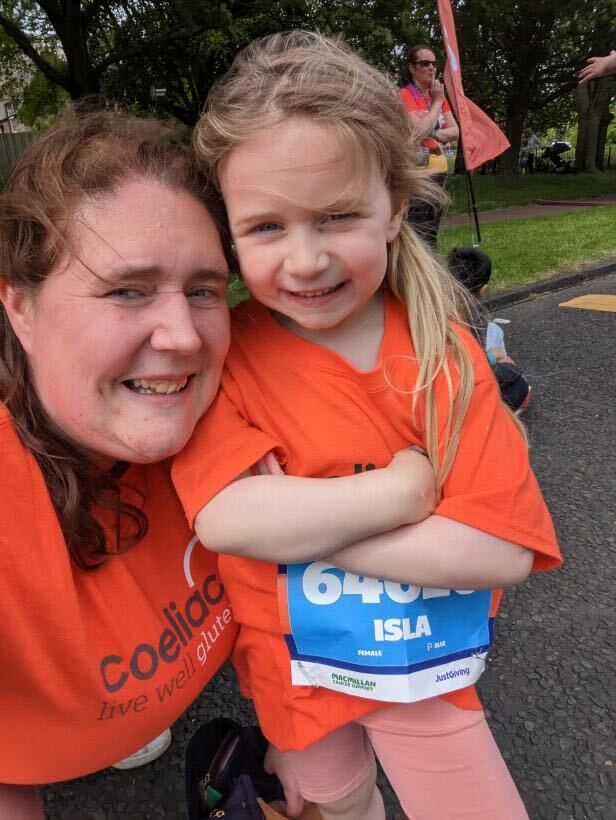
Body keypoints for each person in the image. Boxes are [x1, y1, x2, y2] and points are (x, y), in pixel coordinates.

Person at [172, 31, 562, 820]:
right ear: (229, 231)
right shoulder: (226, 355)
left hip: (423, 664)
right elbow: (225, 516)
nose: (307, 260)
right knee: (335, 803)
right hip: (292, 670)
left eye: (337, 216)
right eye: (268, 228)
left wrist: (301, 524)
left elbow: (500, 548)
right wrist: (405, 490)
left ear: (393, 208)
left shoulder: (439, 350)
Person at [0, 110, 239, 817]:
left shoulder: (246, 397)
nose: (184, 335)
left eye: (204, 289)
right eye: (126, 290)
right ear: (20, 309)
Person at [448, 247, 532, 413]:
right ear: (482, 290)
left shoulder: (430, 309)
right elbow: (468, 366)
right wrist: (494, 357)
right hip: (461, 389)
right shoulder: (474, 321)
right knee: (519, 384)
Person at [399, 43, 459, 248]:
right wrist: (436, 103)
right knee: (419, 228)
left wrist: (432, 130)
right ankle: (418, 274)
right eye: (425, 63)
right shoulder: (406, 95)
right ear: (412, 67)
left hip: (439, 169)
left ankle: (432, 274)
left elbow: (456, 131)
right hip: (419, 171)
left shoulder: (437, 96)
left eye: (433, 63)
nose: (431, 68)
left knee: (433, 228)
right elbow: (419, 131)